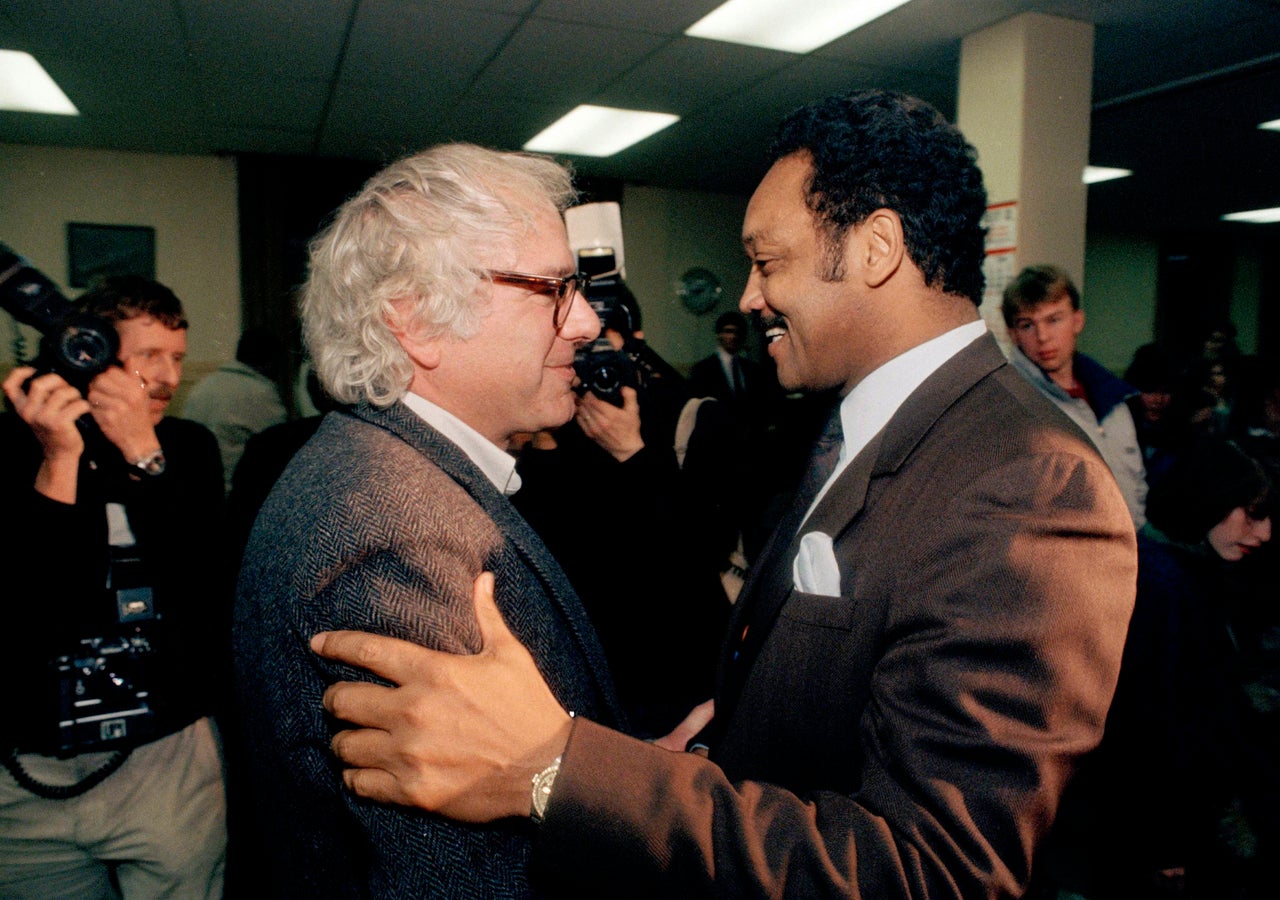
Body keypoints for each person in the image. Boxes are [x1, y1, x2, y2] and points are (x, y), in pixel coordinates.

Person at [310, 90, 1138, 898]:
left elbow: (933, 871)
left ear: (878, 248)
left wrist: (562, 773)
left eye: (767, 262)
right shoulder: (859, 422)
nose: (748, 295)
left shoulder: (1029, 483)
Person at [231, 143, 628, 897]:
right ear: (414, 322)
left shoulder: (377, 465)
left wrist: (613, 773)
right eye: (553, 289)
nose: (584, 321)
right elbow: (464, 876)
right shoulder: (398, 531)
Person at [0, 275, 227, 899]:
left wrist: (142, 456)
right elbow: (40, 607)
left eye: (178, 358)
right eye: (148, 355)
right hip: (30, 770)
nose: (169, 378)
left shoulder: (185, 447)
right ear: (85, 349)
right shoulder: (17, 445)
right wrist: (60, 462)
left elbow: (202, 586)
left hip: (163, 755)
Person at [1038, 438, 1276, 899]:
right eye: (1251, 513)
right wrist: (1166, 844)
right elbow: (1153, 727)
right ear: (1210, 499)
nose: (1264, 533)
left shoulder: (1182, 569)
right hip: (1148, 832)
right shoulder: (1162, 584)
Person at [1003, 264, 1149, 527]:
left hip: (1133, 547)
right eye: (1027, 325)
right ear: (1013, 335)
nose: (1043, 337)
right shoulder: (1013, 405)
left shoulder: (1116, 399)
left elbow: (1135, 482)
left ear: (1077, 321)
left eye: (1054, 320)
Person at [181, 326, 287, 493]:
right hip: (234, 492)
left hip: (195, 488)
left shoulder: (203, 386)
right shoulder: (261, 393)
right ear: (271, 362)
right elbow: (280, 448)